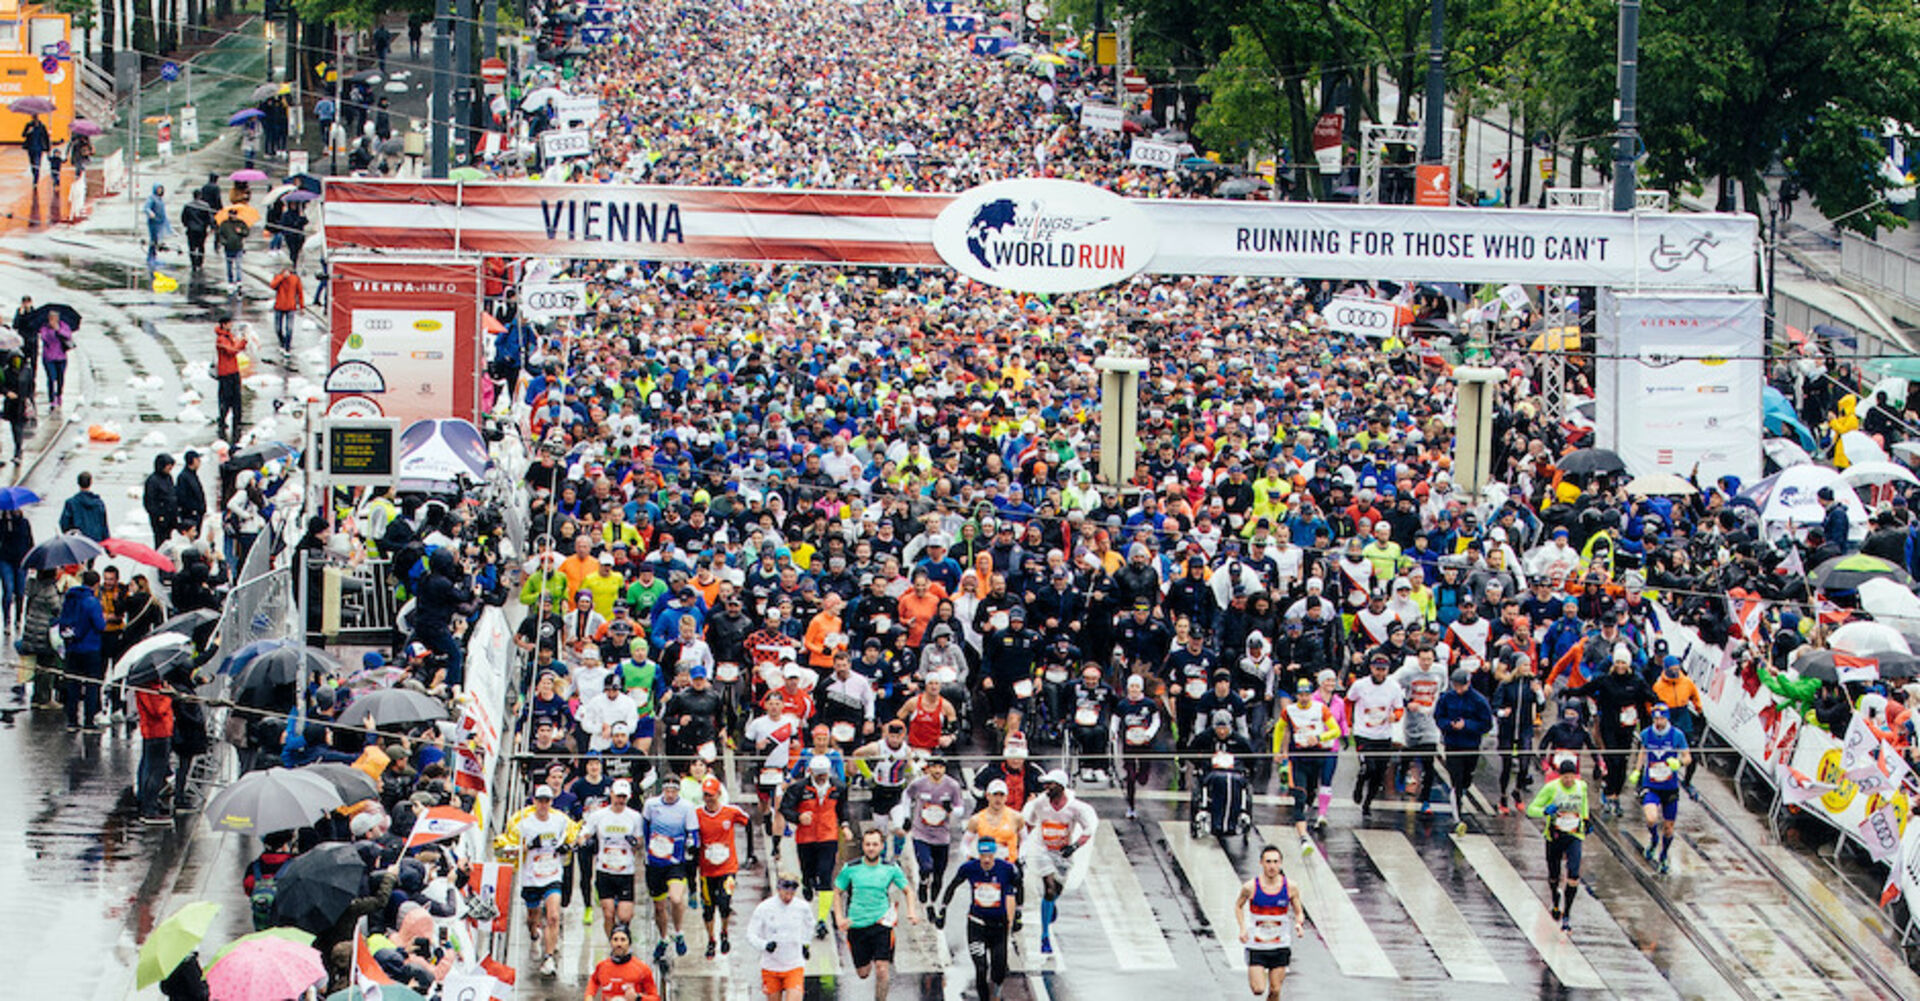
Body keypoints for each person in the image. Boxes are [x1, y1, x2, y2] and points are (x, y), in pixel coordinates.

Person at [495, 784, 578, 976]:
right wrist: (527, 847)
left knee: (553, 916)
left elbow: (577, 836)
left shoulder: (560, 820)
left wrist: (568, 846)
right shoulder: (523, 823)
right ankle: (534, 935)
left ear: (551, 802)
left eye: (547, 801)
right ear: (534, 801)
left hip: (553, 874)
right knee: (533, 917)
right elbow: (502, 850)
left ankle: (549, 957)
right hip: (531, 877)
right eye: (539, 800)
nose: (543, 804)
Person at [833, 827, 918, 1001]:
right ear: (863, 846)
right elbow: (837, 892)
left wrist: (911, 911)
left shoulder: (891, 868)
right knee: (863, 973)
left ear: (881, 846)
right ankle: (866, 958)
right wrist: (839, 918)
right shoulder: (851, 868)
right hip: (857, 925)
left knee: (882, 968)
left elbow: (908, 891)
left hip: (881, 924)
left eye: (875, 844)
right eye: (868, 844)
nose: (871, 848)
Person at [1020, 769, 1096, 954]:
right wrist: (1025, 845)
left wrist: (1075, 846)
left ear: (1061, 786)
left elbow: (1088, 830)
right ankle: (1044, 936)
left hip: (1062, 852)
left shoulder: (1075, 808)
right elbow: (1029, 823)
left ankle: (1050, 905)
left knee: (1056, 890)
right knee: (1049, 888)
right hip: (1042, 850)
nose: (1046, 788)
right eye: (1045, 784)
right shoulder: (1039, 804)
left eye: (1050, 784)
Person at [937, 834, 1020, 1001]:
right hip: (977, 925)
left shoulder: (1007, 869)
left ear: (995, 854)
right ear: (978, 854)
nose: (987, 860)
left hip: (999, 927)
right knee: (981, 968)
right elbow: (952, 887)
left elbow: (1019, 888)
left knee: (998, 970)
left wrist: (1018, 914)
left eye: (990, 855)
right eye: (983, 855)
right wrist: (943, 910)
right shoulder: (969, 868)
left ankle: (996, 992)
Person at [779, 754, 850, 940]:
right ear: (810, 771)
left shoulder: (838, 787)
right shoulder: (799, 788)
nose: (821, 777)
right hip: (806, 838)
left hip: (828, 836)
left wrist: (845, 826)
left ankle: (821, 920)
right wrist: (798, 818)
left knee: (826, 877)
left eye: (823, 774)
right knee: (809, 873)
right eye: (817, 774)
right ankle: (807, 883)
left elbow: (843, 809)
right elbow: (785, 808)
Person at [1525, 755, 1591, 934]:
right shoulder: (1551, 789)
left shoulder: (1581, 786)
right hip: (1554, 836)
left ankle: (1567, 915)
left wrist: (1586, 819)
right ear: (1560, 776)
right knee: (1554, 875)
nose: (1568, 780)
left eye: (1571, 777)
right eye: (1565, 777)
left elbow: (1584, 804)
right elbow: (1531, 809)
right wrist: (1545, 811)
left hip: (1574, 835)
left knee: (1574, 875)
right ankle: (1555, 899)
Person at [1233, 844, 1307, 1001]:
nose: (1272, 866)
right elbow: (1238, 906)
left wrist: (1299, 924)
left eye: (1275, 862)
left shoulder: (1290, 887)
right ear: (1261, 863)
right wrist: (1242, 928)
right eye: (1268, 862)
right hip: (1257, 945)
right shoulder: (1250, 887)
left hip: (1280, 945)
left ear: (1280, 863)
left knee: (1275, 990)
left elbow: (1299, 912)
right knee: (1258, 989)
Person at [640, 772, 701, 961]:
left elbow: (693, 832)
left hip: (675, 860)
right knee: (659, 907)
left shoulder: (686, 807)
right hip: (655, 860)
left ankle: (679, 932)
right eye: (667, 790)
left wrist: (691, 844)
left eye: (674, 791)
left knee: (675, 898)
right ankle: (664, 937)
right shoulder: (651, 805)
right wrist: (645, 849)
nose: (670, 794)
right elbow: (645, 826)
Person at [1434, 666, 1495, 834]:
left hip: (1470, 745)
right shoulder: (1447, 698)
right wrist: (1449, 726)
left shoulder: (1479, 701)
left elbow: (1486, 724)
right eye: (1455, 685)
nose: (1458, 689)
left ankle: (1463, 791)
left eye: (1461, 685)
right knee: (1456, 779)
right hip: (1452, 744)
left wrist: (1467, 725)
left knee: (1467, 776)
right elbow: (1439, 716)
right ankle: (1457, 815)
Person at [693, 776, 750, 957]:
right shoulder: (697, 814)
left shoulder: (730, 812)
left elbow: (748, 823)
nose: (709, 799)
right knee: (708, 907)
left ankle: (724, 931)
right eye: (706, 795)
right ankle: (711, 939)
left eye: (712, 795)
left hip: (727, 867)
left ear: (719, 794)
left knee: (724, 902)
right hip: (707, 869)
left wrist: (750, 853)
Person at [579, 777, 642, 939]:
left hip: (625, 871)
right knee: (608, 914)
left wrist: (635, 842)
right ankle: (612, 946)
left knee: (625, 916)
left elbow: (640, 841)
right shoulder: (599, 815)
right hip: (604, 870)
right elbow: (584, 833)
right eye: (618, 796)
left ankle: (624, 940)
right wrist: (585, 840)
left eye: (623, 797)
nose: (620, 800)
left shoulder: (634, 817)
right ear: (611, 795)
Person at [902, 755, 969, 905]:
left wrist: (951, 809)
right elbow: (906, 795)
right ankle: (923, 881)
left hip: (942, 836)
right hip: (921, 833)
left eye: (941, 767)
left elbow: (960, 809)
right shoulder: (919, 784)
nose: (937, 771)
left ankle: (932, 903)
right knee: (926, 866)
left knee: (939, 874)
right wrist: (906, 817)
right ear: (929, 768)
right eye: (935, 767)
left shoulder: (952, 786)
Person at [1345, 654, 1404, 815]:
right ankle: (1359, 784)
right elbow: (1348, 701)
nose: (1380, 673)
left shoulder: (1393, 687)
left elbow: (1399, 707)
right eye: (1377, 669)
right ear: (1371, 668)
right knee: (1368, 767)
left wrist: (1396, 716)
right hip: (1363, 733)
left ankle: (1368, 803)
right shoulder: (1360, 685)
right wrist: (1349, 724)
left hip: (1383, 734)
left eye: (1383, 670)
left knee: (1379, 772)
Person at [1637, 705, 1692, 875]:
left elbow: (1687, 757)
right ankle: (1653, 839)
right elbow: (1642, 752)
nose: (1659, 722)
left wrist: (1680, 763)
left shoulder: (1677, 735)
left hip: (1670, 787)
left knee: (1668, 828)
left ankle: (1663, 854)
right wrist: (1637, 770)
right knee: (1651, 818)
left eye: (1662, 719)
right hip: (1651, 785)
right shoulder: (1646, 734)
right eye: (1656, 719)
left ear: (1667, 718)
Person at [748, 871, 814, 1001]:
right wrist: (765, 945)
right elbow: (751, 933)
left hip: (794, 965)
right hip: (771, 966)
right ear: (778, 889)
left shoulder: (802, 907)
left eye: (792, 893)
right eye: (785, 893)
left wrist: (805, 944)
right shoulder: (765, 908)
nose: (788, 897)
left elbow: (810, 926)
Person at [58, 569, 106, 731]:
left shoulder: (70, 598)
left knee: (73, 684)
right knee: (92, 685)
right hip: (90, 648)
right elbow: (100, 625)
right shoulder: (92, 602)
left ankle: (72, 720)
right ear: (96, 584)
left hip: (72, 648)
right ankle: (89, 721)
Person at [134, 671, 175, 823]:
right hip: (157, 733)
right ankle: (149, 809)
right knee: (155, 771)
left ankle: (147, 802)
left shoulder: (150, 685)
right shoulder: (148, 688)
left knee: (150, 768)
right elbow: (157, 710)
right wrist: (168, 696)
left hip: (155, 732)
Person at [585, 924, 659, 1000]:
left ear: (629, 943)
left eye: (623, 940)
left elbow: (656, 998)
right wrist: (589, 996)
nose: (619, 944)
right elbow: (593, 981)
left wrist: (638, 998)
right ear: (611, 942)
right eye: (615, 939)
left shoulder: (642, 968)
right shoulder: (602, 966)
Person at [214, 317, 244, 443]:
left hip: (233, 371)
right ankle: (223, 420)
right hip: (226, 373)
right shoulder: (221, 339)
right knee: (226, 398)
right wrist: (243, 342)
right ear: (223, 324)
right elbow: (231, 351)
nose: (231, 325)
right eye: (229, 323)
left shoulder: (229, 336)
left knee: (236, 398)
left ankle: (236, 421)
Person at [58, 471, 107, 540]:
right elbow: (104, 527)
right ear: (91, 483)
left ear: (78, 483)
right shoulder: (99, 504)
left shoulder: (71, 503)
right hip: (96, 543)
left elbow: (64, 524)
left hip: (78, 541)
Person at [38, 312, 70, 410]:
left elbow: (68, 335)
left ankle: (59, 394)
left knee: (60, 378)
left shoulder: (63, 326)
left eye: (55, 318)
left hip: (61, 357)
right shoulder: (45, 327)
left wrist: (58, 330)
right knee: (51, 378)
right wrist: (51, 330)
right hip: (49, 357)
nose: (52, 320)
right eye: (51, 318)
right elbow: (44, 337)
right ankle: (52, 399)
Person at [143, 453, 178, 540]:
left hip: (170, 516)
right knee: (160, 540)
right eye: (168, 466)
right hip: (160, 518)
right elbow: (149, 501)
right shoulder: (152, 480)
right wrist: (158, 515)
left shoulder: (168, 477)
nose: (170, 469)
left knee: (168, 540)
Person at [268, 266, 303, 354]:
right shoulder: (279, 277)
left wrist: (302, 306)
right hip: (279, 306)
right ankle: (283, 342)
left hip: (290, 307)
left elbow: (300, 292)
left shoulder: (295, 279)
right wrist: (282, 277)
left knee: (289, 329)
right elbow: (272, 285)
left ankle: (287, 347)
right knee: (278, 329)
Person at [174, 450, 207, 536]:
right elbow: (182, 496)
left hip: (197, 514)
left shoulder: (193, 475)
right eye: (198, 459)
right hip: (190, 515)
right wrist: (192, 510)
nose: (200, 462)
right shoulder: (184, 477)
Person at [181, 191, 214, 271]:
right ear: (200, 196)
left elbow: (183, 217)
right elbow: (209, 218)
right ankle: (199, 262)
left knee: (191, 247)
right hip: (201, 229)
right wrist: (210, 226)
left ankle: (193, 263)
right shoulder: (205, 205)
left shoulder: (188, 205)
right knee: (201, 246)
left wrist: (187, 224)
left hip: (191, 229)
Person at [145, 184, 171, 270]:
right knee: (154, 240)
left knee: (157, 240)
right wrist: (150, 213)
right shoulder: (151, 198)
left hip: (160, 223)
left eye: (161, 189)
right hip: (153, 223)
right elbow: (146, 208)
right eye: (158, 189)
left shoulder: (160, 199)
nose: (159, 191)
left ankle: (154, 256)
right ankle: (150, 257)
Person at [21, 114, 50, 183]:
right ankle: (34, 174)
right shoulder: (29, 125)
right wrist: (28, 132)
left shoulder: (42, 126)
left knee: (37, 162)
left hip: (39, 148)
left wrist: (47, 148)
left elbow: (45, 137)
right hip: (30, 147)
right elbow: (23, 135)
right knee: (32, 163)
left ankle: (36, 178)